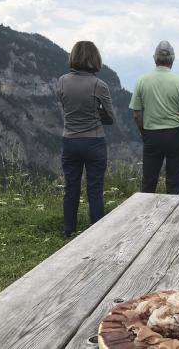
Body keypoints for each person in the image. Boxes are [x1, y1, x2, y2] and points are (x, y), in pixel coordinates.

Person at [57, 41, 114, 238]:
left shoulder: (62, 81)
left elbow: (65, 107)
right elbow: (110, 118)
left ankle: (68, 230)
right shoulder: (99, 85)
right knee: (95, 189)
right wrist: (97, 113)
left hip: (70, 140)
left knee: (71, 187)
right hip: (94, 141)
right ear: (95, 58)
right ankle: (96, 233)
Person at [129, 40, 179, 194]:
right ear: (172, 59)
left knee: (148, 183)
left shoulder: (141, 81)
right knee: (174, 183)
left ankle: (145, 216)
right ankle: (172, 216)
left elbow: (137, 114)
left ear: (154, 58)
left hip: (151, 135)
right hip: (175, 136)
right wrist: (175, 117)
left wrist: (144, 132)